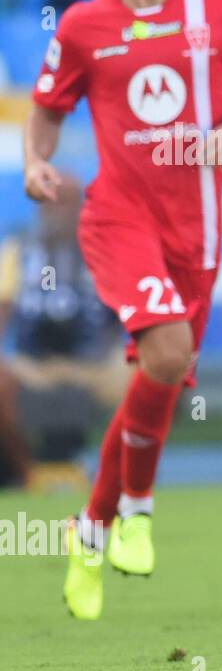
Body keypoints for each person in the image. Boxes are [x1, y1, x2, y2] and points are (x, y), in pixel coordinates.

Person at [24, 0, 222, 620]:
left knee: (160, 379)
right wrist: (39, 160)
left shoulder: (220, 8)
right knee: (167, 356)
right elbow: (46, 109)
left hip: (196, 226)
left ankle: (92, 528)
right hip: (118, 216)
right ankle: (136, 503)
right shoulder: (80, 25)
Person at [0, 176, 125, 488]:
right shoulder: (19, 249)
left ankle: (123, 475)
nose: (58, 209)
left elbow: (130, 311)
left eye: (67, 200)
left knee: (154, 369)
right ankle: (27, 473)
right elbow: (3, 310)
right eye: (50, 200)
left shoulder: (107, 248)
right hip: (35, 364)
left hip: (96, 362)